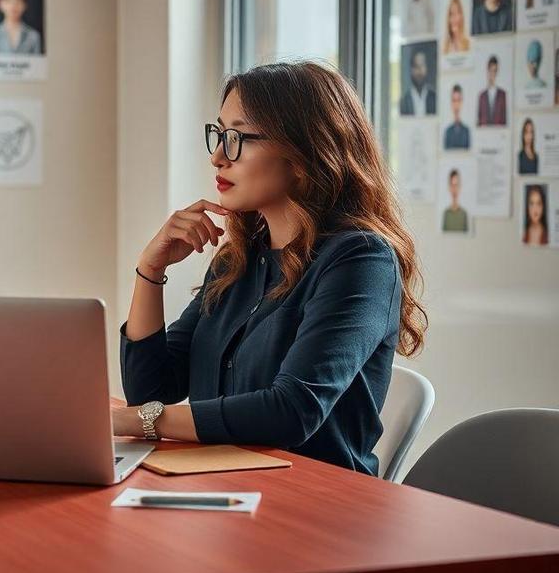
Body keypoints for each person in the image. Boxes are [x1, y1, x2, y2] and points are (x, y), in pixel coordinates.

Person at [113, 61, 426, 476]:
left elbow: (291, 411)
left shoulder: (362, 260)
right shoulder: (237, 260)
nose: (218, 156)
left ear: (303, 152)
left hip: (316, 505)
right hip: (223, 484)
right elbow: (151, 391)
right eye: (220, 134)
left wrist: (135, 423)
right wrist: (149, 271)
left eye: (238, 138)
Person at [398, 48, 435, 116]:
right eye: (416, 66)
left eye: (422, 66)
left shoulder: (434, 98)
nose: (419, 71)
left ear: (426, 68)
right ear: (411, 70)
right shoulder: (404, 101)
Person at [477, 55, 507, 125]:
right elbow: (479, 121)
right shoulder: (482, 96)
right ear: (487, 71)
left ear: (497, 72)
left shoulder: (502, 95)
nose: (492, 74)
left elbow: (504, 121)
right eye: (490, 70)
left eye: (494, 71)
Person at [442, 84, 470, 150]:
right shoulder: (447, 131)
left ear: (462, 102)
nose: (456, 105)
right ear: (451, 103)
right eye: (454, 100)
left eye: (459, 100)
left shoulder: (466, 131)